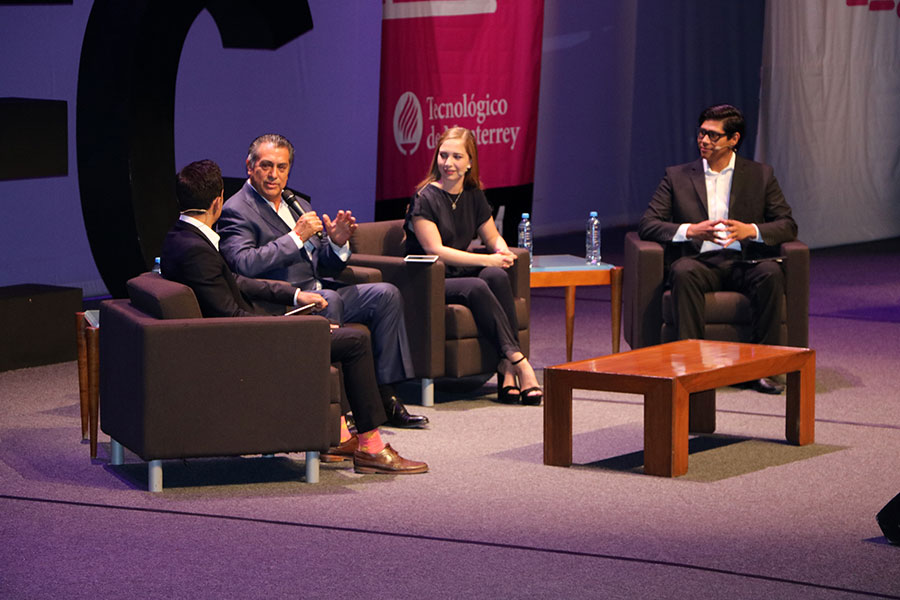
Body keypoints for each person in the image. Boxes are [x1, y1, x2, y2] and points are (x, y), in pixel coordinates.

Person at [160, 159, 427, 474]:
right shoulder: (197, 248)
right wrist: (292, 329)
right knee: (355, 340)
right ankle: (371, 447)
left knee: (348, 325)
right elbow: (229, 314)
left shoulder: (181, 238)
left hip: (243, 332)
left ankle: (341, 436)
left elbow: (234, 283)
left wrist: (294, 295)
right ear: (218, 200)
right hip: (243, 345)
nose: (275, 174)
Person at [217, 134, 427, 429]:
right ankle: (338, 412)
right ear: (249, 167)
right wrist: (295, 237)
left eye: (281, 166)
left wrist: (338, 245)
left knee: (386, 294)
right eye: (266, 166)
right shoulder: (236, 210)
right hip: (279, 302)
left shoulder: (297, 203)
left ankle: (386, 395)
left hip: (320, 289)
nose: (274, 174)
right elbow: (243, 264)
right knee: (332, 297)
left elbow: (320, 263)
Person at [638, 104, 798, 394]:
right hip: (699, 261)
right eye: (701, 133)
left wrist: (752, 230)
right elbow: (648, 224)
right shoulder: (677, 176)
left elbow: (787, 225)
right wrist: (690, 230)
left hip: (744, 260)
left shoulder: (760, 175)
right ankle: (691, 367)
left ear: (733, 139)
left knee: (771, 274)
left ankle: (763, 369)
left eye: (713, 136)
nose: (704, 141)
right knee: (683, 273)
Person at [404, 126, 543, 405]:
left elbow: (492, 237)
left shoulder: (473, 195)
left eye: (457, 157)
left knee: (496, 275)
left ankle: (505, 369)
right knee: (479, 283)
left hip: (458, 273)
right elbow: (436, 250)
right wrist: (487, 258)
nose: (449, 164)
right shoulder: (424, 198)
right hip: (427, 277)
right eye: (444, 156)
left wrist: (501, 250)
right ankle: (520, 361)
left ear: (470, 162)